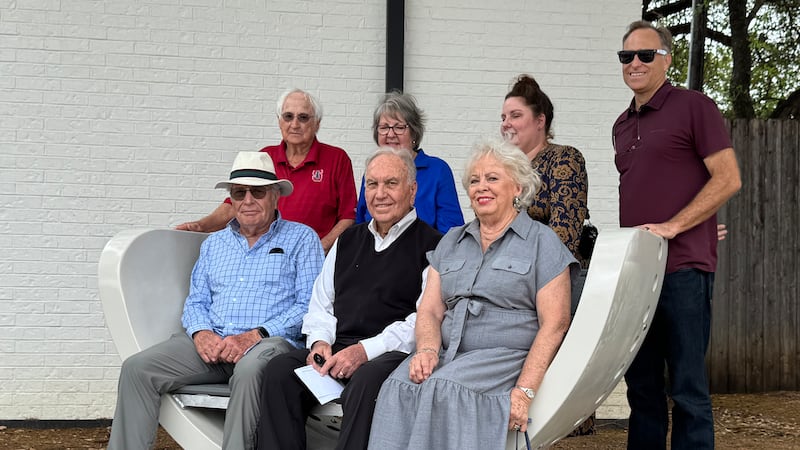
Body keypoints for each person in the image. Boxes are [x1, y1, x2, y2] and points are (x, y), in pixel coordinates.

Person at [368, 138, 577, 450]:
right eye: (475, 180)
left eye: (493, 178)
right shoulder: (452, 240)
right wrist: (426, 350)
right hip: (448, 353)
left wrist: (525, 390)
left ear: (517, 187)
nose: (482, 187)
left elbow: (555, 323)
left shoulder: (541, 242)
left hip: (504, 356)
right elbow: (430, 310)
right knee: (398, 386)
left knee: (446, 388)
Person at [108, 152, 325, 450]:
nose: (248, 200)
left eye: (258, 192)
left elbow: (309, 307)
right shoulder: (214, 244)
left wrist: (255, 335)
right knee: (137, 369)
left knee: (249, 372)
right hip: (213, 343)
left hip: (269, 343)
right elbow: (196, 301)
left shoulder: (302, 239)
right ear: (231, 199)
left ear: (275, 196)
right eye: (239, 193)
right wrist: (201, 333)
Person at [256, 147, 442, 450]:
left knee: (367, 383)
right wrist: (320, 342)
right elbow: (321, 303)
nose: (380, 193)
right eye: (372, 184)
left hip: (388, 354)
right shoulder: (348, 240)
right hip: (337, 349)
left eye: (391, 184)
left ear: (412, 190)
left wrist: (364, 351)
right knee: (279, 373)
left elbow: (424, 319)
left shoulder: (433, 246)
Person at [613, 21, 741, 450]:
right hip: (637, 276)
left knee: (687, 390)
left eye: (645, 55)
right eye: (626, 56)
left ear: (666, 59)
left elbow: (727, 179)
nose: (635, 63)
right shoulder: (622, 124)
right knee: (642, 390)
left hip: (683, 269)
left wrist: (677, 225)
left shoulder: (694, 107)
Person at [502, 74, 594, 435]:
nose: (506, 123)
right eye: (504, 117)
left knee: (555, 383)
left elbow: (566, 233)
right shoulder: (506, 168)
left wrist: (521, 269)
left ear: (540, 121)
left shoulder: (564, 159)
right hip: (511, 279)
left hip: (552, 278)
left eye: (515, 115)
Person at [177, 89, 357, 253]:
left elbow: (348, 217)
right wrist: (201, 226)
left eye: (303, 117)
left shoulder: (337, 159)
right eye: (288, 116)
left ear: (317, 123)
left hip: (317, 258)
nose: (294, 124)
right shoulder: (265, 157)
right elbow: (235, 205)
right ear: (279, 121)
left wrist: (317, 249)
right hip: (267, 257)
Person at [355, 91, 464, 233]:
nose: (390, 134)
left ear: (414, 132)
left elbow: (451, 233)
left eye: (399, 127)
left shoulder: (437, 170)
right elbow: (360, 223)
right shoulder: (373, 171)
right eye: (384, 127)